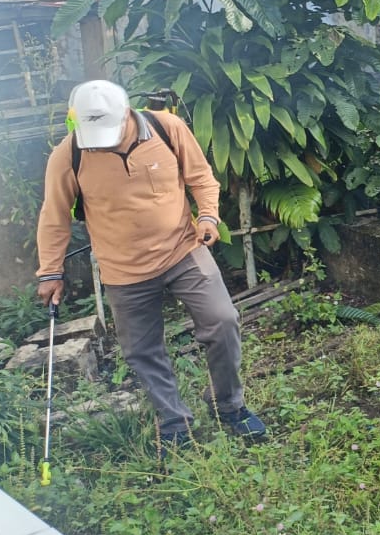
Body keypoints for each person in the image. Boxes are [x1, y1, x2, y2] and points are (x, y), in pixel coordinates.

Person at [35, 80, 268, 448]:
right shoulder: (68, 154)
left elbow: (201, 178)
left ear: (127, 112)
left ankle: (230, 406)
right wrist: (51, 270)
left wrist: (207, 217)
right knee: (143, 351)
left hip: (182, 249)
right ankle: (174, 420)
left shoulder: (166, 127)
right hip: (123, 270)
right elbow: (54, 215)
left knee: (223, 321)